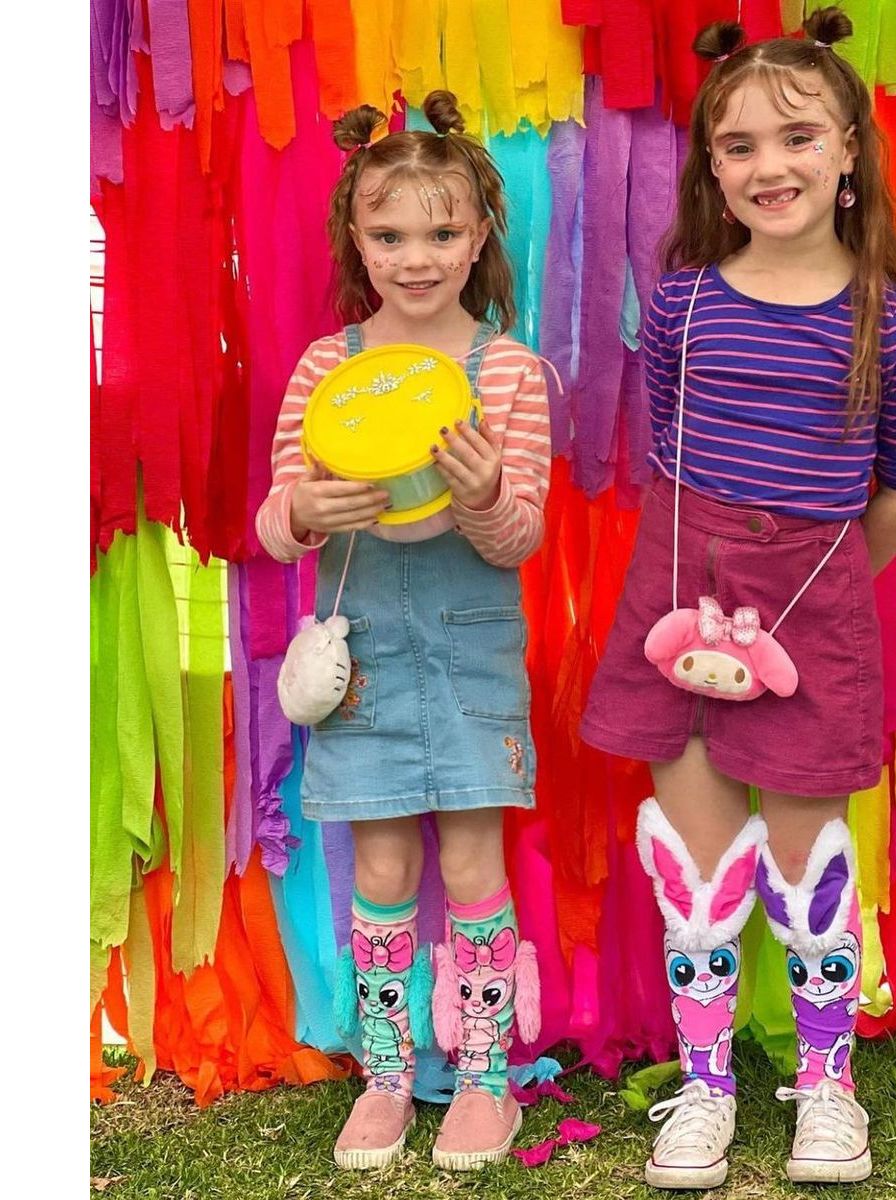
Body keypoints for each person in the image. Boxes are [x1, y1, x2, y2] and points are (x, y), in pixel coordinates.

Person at [580, 7, 896, 1188]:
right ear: (711, 167)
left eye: (797, 137)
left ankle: (827, 1087)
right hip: (675, 595)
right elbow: (669, 441)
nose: (767, 166)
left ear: (849, 151)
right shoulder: (684, 300)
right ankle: (704, 1089)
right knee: (694, 869)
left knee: (806, 862)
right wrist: (706, 594)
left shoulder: (893, 323)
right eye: (736, 145)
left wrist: (818, 589)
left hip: (809, 613)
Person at [255, 91, 550, 1172]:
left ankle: (483, 1079)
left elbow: (521, 537)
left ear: (478, 236)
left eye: (441, 232)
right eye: (389, 235)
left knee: (472, 859)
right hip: (366, 657)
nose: (415, 258)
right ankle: (386, 1074)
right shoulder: (325, 370)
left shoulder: (509, 372)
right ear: (356, 238)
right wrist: (303, 510)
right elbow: (273, 522)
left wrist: (482, 494)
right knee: (380, 863)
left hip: (471, 650)